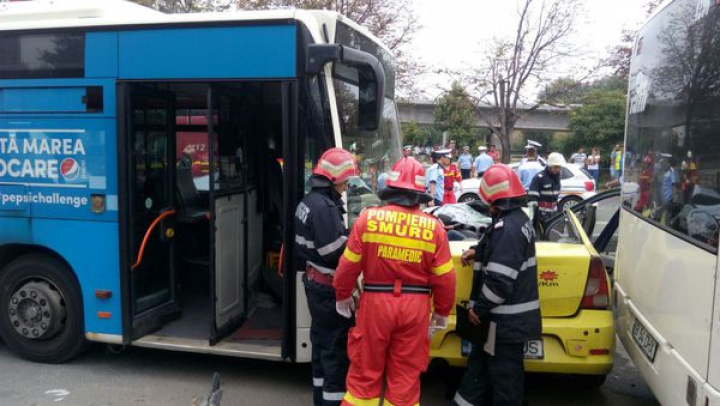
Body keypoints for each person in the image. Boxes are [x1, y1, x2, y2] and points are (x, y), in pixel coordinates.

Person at [333, 156, 456, 406]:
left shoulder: (368, 219)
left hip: (375, 305)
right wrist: (442, 312)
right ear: (419, 196)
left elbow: (347, 266)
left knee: (363, 377)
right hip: (416, 307)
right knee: (405, 380)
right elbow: (445, 278)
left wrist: (342, 294)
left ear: (390, 190)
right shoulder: (435, 229)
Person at [452, 164, 541, 406]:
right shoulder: (514, 221)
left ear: (496, 202)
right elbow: (496, 247)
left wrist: (476, 309)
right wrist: (477, 251)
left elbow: (499, 281)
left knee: (505, 384)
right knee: (477, 375)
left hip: (503, 325)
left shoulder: (508, 229)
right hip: (497, 325)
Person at [294, 148, 359, 406]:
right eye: (345, 180)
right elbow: (332, 251)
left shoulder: (309, 201)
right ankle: (332, 402)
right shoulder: (324, 207)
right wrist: (357, 242)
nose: (346, 185)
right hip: (328, 289)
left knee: (321, 345)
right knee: (335, 353)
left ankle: (320, 399)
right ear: (333, 179)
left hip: (315, 284)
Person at [528, 152, 563, 224]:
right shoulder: (539, 177)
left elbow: (556, 198)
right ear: (550, 166)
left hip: (554, 214)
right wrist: (535, 216)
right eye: (556, 167)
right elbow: (532, 198)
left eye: (559, 167)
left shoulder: (557, 178)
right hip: (542, 215)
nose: (558, 169)